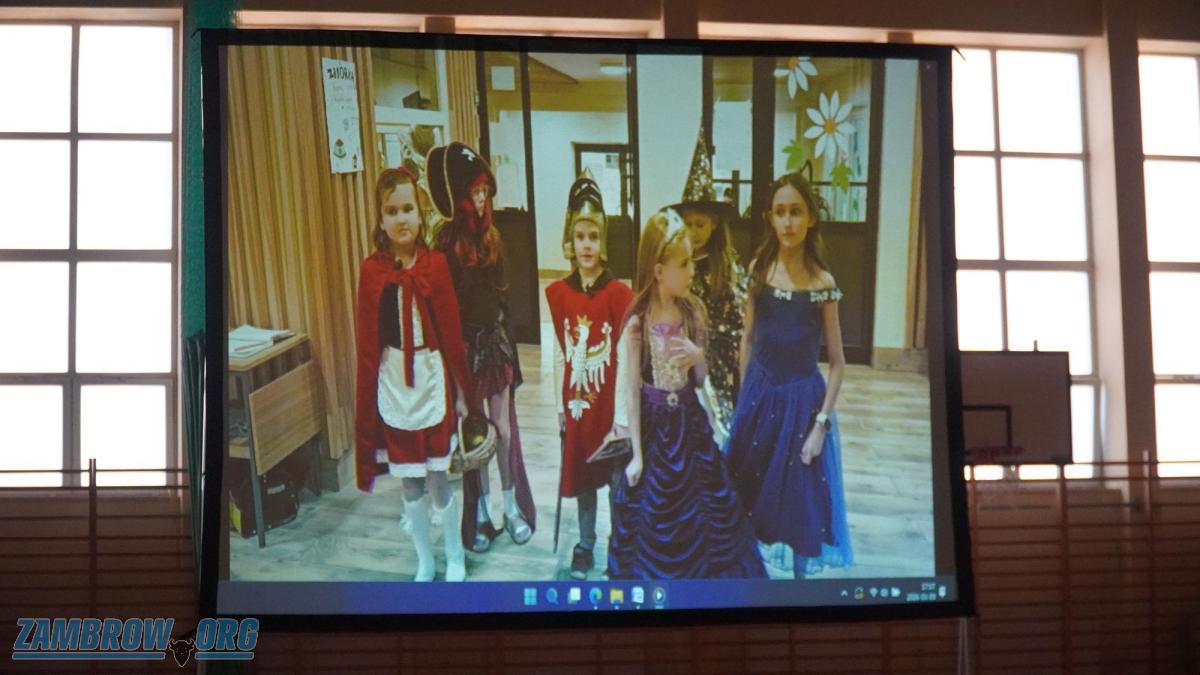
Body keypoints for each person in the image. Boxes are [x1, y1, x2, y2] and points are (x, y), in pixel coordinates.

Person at [606, 208, 765, 580]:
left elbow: (699, 380)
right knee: (650, 509)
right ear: (659, 271)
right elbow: (631, 391)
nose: (693, 270)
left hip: (689, 423)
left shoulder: (693, 312)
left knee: (707, 502)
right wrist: (637, 455)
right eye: (684, 263)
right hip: (654, 426)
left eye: (692, 261)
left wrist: (698, 358)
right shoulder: (638, 322)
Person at [726, 171, 854, 578]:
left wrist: (821, 425)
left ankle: (799, 590)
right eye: (779, 212)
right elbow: (747, 338)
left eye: (796, 212)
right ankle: (750, 579)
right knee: (747, 489)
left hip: (803, 404)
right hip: (760, 394)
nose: (788, 222)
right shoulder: (759, 271)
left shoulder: (822, 283)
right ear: (769, 218)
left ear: (811, 218)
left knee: (800, 502)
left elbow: (837, 362)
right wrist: (745, 398)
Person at [354, 166, 475, 581]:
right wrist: (369, 404)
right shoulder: (371, 271)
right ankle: (425, 559)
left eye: (408, 209)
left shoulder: (436, 264)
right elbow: (367, 345)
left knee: (438, 476)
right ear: (380, 218)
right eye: (392, 211)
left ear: (420, 214)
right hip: (394, 384)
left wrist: (462, 393)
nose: (401, 218)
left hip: (432, 380)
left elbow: (453, 334)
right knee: (409, 482)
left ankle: (454, 554)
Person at [426, 141, 536, 554]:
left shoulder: (493, 238)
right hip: (464, 353)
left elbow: (502, 301)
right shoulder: (444, 247)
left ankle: (512, 508)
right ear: (459, 195)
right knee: (475, 436)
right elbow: (444, 318)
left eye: (485, 189)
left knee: (503, 431)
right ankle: (483, 513)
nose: (481, 197)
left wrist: (513, 358)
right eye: (474, 190)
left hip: (497, 346)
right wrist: (455, 385)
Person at [545, 174, 635, 580]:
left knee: (615, 480)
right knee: (583, 478)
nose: (586, 245)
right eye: (580, 236)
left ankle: (620, 543)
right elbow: (561, 354)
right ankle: (585, 544)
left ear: (603, 241)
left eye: (593, 237)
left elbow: (624, 357)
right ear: (570, 239)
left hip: (608, 407)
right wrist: (559, 407)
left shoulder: (618, 294)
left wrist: (623, 415)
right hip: (578, 406)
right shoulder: (559, 294)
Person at [672, 131, 748, 447]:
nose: (694, 232)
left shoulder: (728, 265)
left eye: (700, 224)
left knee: (719, 435)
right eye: (687, 224)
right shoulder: (676, 262)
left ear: (714, 223)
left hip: (721, 364)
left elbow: (740, 319)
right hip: (681, 359)